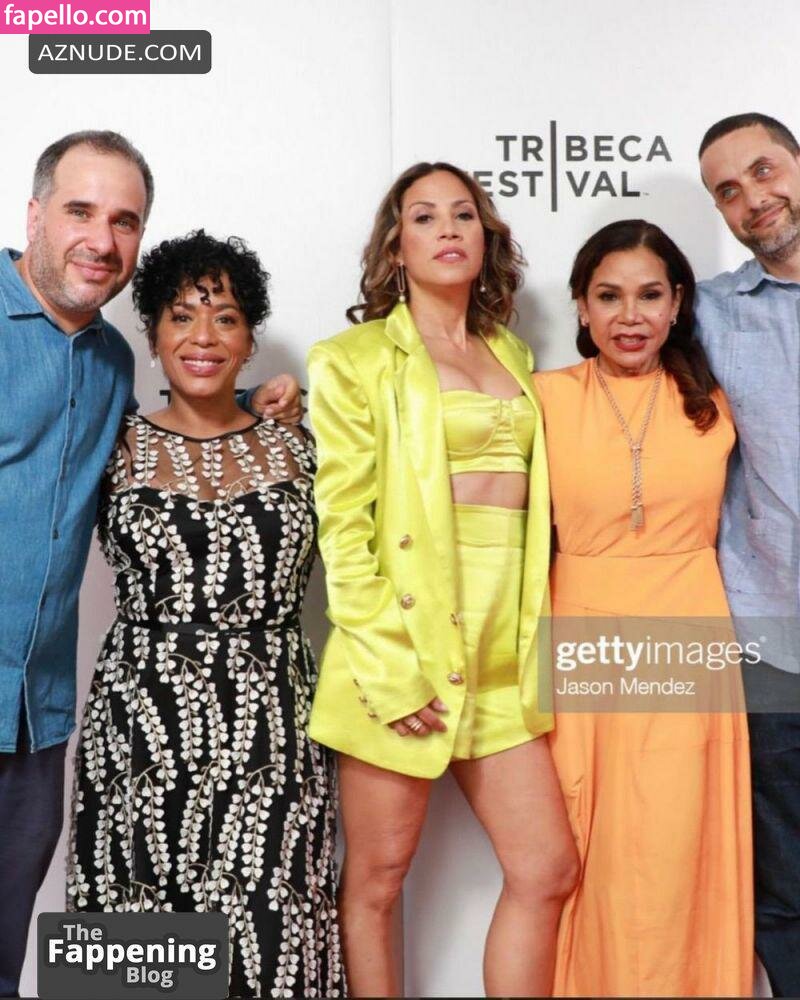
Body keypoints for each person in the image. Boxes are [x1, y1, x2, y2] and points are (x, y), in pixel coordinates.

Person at [0, 131, 300, 1000]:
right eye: (80, 211)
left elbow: (186, 441)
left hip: (35, 716)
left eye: (124, 220)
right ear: (34, 215)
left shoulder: (109, 363)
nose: (102, 239)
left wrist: (253, 404)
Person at [306, 162, 578, 998]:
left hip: (500, 663)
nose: (448, 228)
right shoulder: (353, 360)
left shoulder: (513, 352)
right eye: (424, 217)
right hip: (404, 658)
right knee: (378, 883)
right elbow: (343, 530)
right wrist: (393, 670)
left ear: (485, 238)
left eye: (464, 214)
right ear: (396, 247)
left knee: (547, 869)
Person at [66, 230, 345, 999]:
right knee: (143, 947)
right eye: (181, 316)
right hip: (141, 730)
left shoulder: (301, 446)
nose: (203, 336)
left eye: (225, 318)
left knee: (271, 934)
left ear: (250, 339)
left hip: (273, 732)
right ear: (153, 336)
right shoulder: (112, 444)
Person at [536, 219, 753, 997]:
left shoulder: (716, 403)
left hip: (688, 635)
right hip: (582, 637)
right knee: (581, 850)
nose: (630, 316)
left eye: (649, 296)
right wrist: (258, 399)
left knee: (677, 850)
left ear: (677, 304)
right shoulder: (542, 399)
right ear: (581, 306)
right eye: (609, 296)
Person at [697, 112, 800, 998]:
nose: (753, 199)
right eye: (727, 191)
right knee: (786, 889)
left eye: (764, 171)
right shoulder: (706, 312)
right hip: (771, 645)